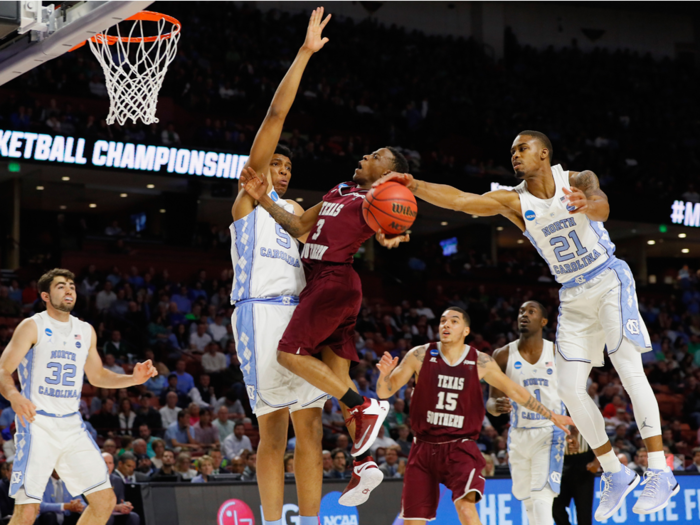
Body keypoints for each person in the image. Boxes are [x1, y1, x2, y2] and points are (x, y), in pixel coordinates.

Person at [377, 130, 678, 518]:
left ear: (544, 153)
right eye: (512, 151)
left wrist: (587, 204)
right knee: (569, 388)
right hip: (571, 292)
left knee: (628, 369)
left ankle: (658, 470)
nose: (515, 155)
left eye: (522, 149)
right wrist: (413, 183)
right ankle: (615, 472)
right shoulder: (512, 200)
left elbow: (602, 205)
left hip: (608, 279)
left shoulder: (577, 179)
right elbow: (462, 200)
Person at [239, 127, 409, 507]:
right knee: (338, 377)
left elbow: (393, 217)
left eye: (376, 155)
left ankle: (365, 405)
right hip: (327, 284)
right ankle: (364, 462)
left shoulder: (379, 195)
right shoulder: (340, 190)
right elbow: (299, 227)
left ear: (388, 173)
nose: (366, 156)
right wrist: (262, 200)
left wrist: (392, 233)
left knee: (289, 356)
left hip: (332, 280)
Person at [229, 10, 333, 525]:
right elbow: (274, 119)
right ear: (259, 169)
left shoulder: (295, 215)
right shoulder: (248, 203)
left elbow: (342, 210)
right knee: (274, 432)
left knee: (311, 426)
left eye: (289, 168)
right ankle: (273, 522)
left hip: (299, 317)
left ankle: (310, 521)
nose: (283, 171)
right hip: (259, 314)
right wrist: (305, 54)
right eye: (276, 164)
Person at [375, 307, 572, 525]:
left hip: (460, 447)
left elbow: (514, 390)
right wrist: (384, 376)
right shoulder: (420, 355)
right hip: (423, 448)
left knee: (466, 508)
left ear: (466, 330)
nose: (446, 325)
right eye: (442, 321)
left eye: (454, 321)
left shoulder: (480, 361)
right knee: (413, 521)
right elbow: (385, 391)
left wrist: (550, 414)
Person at [0, 268, 157, 525]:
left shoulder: (85, 330)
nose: (69, 289)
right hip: (38, 424)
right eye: (61, 286)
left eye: (71, 285)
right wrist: (14, 396)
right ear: (46, 296)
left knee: (104, 501)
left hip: (72, 425)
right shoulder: (32, 326)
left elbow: (97, 377)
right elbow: (3, 370)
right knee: (28, 511)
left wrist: (133, 379)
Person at [487, 301, 565, 525]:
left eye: (531, 312)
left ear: (543, 321)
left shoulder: (558, 352)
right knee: (528, 500)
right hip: (518, 433)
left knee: (542, 497)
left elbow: (575, 392)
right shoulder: (502, 355)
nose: (524, 315)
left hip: (550, 431)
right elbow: (491, 401)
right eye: (521, 311)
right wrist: (496, 405)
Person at [553, 429, 596, 525]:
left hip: (584, 461)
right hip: (560, 461)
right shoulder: (557, 414)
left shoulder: (589, 416)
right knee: (556, 507)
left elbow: (601, 439)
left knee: (584, 510)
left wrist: (596, 462)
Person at [101, 453, 139, 525]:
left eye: (110, 463)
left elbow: (121, 501)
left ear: (113, 465)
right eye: (105, 463)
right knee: (108, 518)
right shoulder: (91, 481)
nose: (107, 466)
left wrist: (125, 505)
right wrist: (116, 507)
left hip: (114, 512)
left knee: (134, 517)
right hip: (99, 512)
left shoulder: (117, 480)